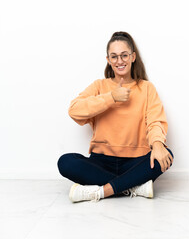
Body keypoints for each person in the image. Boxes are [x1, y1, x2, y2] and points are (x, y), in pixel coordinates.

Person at [57, 31, 174, 203]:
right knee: (65, 162)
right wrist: (111, 97)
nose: (120, 61)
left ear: (133, 57)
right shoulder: (99, 86)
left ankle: (102, 191)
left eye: (124, 55)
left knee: (166, 154)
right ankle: (132, 186)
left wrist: (157, 144)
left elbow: (155, 121)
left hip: (135, 161)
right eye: (114, 56)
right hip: (101, 161)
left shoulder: (147, 88)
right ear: (108, 60)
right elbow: (74, 110)